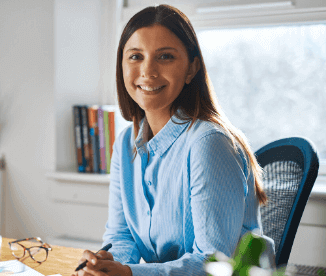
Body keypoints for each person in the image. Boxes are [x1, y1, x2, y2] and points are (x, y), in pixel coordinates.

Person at [71, 4, 275, 276]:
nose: (148, 71)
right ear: (121, 65)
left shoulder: (208, 143)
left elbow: (213, 264)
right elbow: (122, 236)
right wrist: (107, 264)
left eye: (165, 56)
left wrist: (130, 273)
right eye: (135, 56)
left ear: (191, 69)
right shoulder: (125, 144)